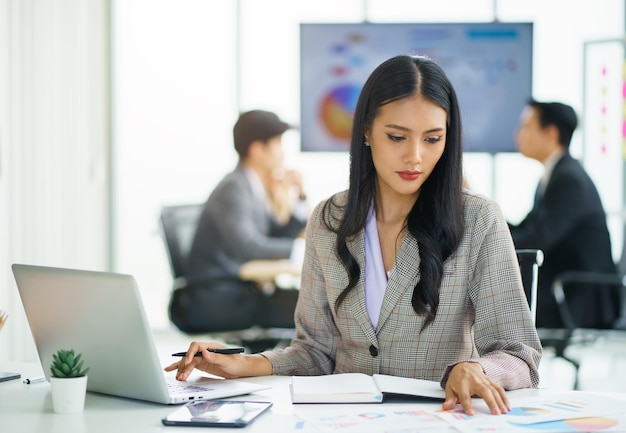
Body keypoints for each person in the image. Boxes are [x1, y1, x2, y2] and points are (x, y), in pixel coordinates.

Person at [166, 55, 542, 416]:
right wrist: (244, 364)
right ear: (366, 130)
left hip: (435, 419)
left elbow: (519, 353)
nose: (414, 156)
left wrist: (479, 370)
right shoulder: (328, 220)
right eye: (397, 137)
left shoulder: (478, 219)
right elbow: (315, 352)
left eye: (432, 139)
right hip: (344, 419)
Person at [172, 110, 308, 334]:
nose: (283, 154)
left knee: (313, 304)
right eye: (278, 145)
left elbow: (276, 235)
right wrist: (302, 250)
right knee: (311, 309)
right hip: (217, 299)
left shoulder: (251, 185)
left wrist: (300, 196)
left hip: (238, 293)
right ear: (258, 150)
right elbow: (249, 247)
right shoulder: (234, 188)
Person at [508, 100, 619, 329]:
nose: (518, 135)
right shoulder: (555, 175)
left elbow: (539, 239)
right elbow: (526, 228)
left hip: (577, 296)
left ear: (550, 133)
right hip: (563, 285)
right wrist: (486, 222)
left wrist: (491, 244)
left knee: (497, 302)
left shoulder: (569, 180)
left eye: (526, 127)